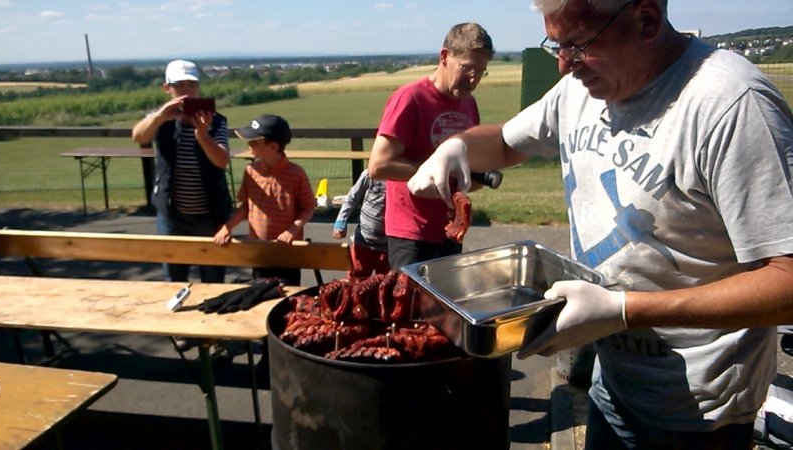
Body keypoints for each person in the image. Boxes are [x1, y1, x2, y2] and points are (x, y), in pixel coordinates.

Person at [406, 1, 793, 449]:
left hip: (698, 414)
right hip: (611, 387)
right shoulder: (580, 88)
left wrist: (625, 310)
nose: (564, 65)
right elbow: (506, 143)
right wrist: (457, 147)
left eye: (578, 44)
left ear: (645, 19)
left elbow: (785, 281)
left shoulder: (731, 106)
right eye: (556, 44)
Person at [367, 22, 494, 270]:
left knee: (444, 307)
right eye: (467, 68)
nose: (473, 79)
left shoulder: (469, 105)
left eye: (481, 71)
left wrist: (476, 175)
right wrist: (440, 171)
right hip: (411, 233)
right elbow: (378, 166)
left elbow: (469, 167)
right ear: (445, 57)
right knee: (411, 307)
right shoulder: (411, 98)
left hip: (450, 229)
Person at [132, 59, 232, 283]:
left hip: (210, 214)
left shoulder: (216, 121)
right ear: (167, 88)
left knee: (213, 278)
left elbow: (221, 161)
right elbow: (139, 137)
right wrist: (160, 116)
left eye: (192, 85)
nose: (187, 92)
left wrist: (203, 134)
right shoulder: (160, 120)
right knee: (174, 279)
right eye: (180, 86)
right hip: (171, 216)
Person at [214, 114, 316, 286]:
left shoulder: (296, 174)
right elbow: (247, 207)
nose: (249, 145)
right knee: (260, 293)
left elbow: (308, 207)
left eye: (254, 142)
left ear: (273, 146)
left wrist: (292, 230)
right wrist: (227, 227)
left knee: (286, 298)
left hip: (287, 253)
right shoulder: (250, 172)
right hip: (260, 252)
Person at [332, 169, 389, 278]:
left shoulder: (401, 177)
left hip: (389, 247)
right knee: (354, 283)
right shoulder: (371, 173)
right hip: (363, 242)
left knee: (387, 287)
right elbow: (352, 198)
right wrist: (340, 222)